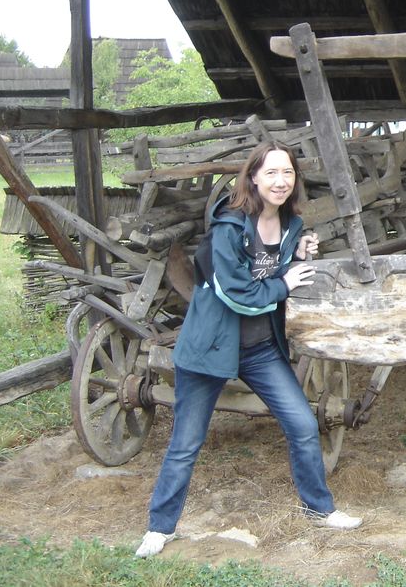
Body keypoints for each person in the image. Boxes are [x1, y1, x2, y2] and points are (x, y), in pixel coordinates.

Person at [136, 140, 362, 558]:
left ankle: (319, 509)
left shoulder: (291, 224)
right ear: (253, 178)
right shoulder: (229, 227)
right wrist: (285, 283)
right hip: (210, 347)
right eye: (271, 172)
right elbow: (236, 292)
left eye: (287, 172)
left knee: (303, 424)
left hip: (259, 348)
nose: (280, 181)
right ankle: (159, 528)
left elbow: (267, 273)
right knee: (186, 444)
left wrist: (295, 256)